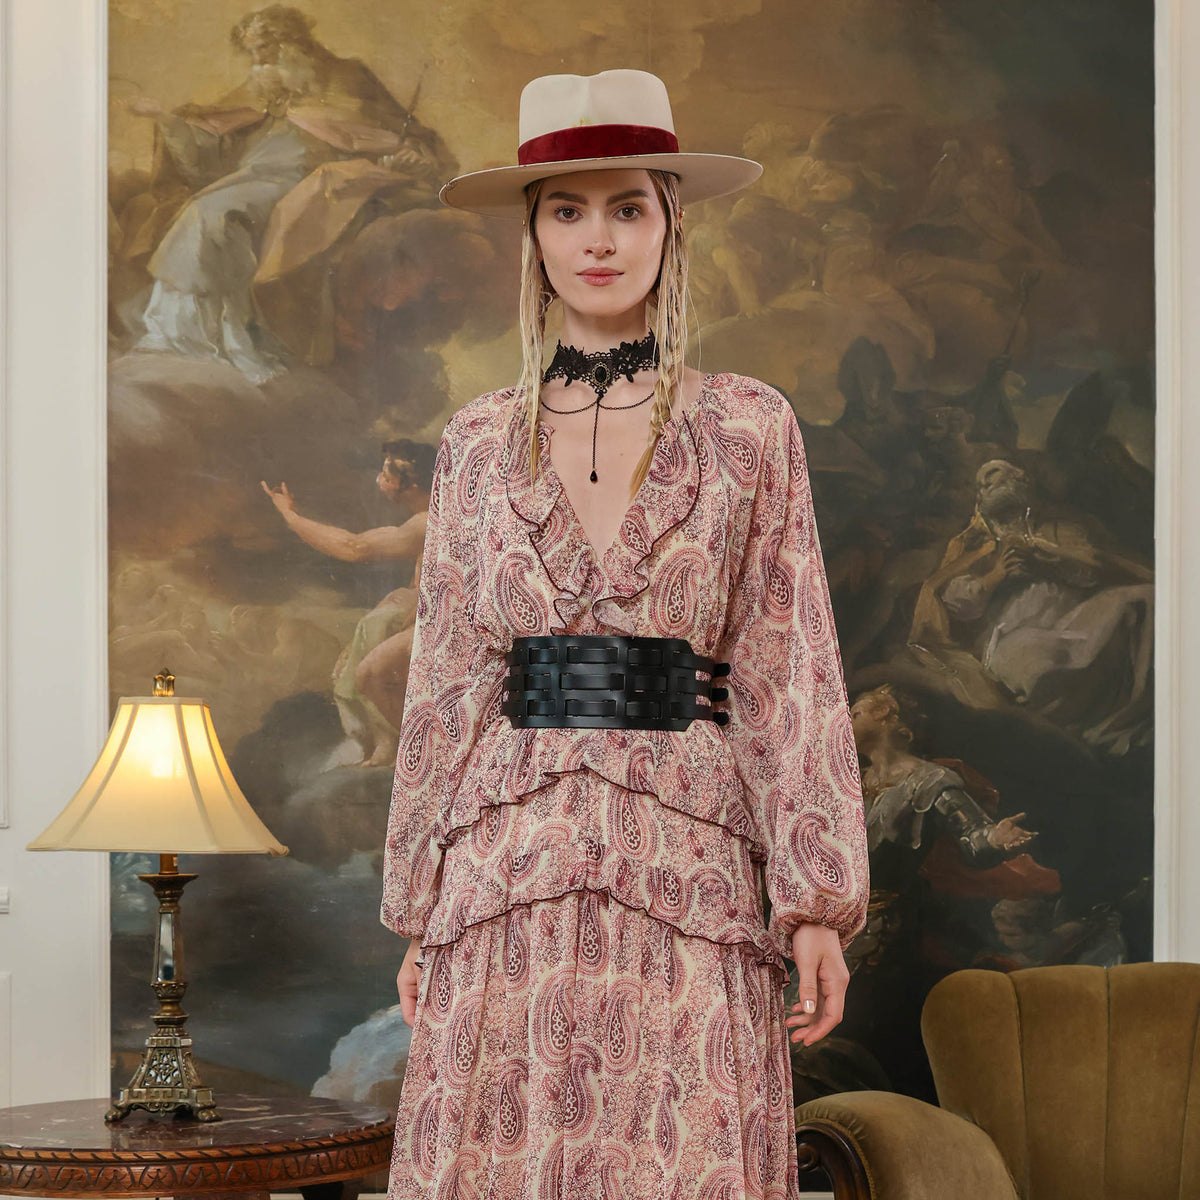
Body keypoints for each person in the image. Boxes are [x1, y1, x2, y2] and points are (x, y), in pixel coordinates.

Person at [378, 69, 869, 1199]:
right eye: (567, 209)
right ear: (534, 236)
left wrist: (816, 903)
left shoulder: (750, 426)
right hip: (505, 869)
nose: (598, 238)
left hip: (690, 860)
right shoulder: (474, 441)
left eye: (627, 207)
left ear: (670, 222)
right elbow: (449, 680)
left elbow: (790, 664)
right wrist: (420, 903)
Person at [262, 439, 436, 766]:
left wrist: (290, 516)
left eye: (386, 474)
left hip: (454, 625)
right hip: (431, 615)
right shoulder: (428, 517)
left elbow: (353, 547)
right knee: (372, 631)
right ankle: (387, 743)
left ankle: (429, 758)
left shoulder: (428, 521)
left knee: (371, 669)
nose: (378, 480)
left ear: (411, 482)